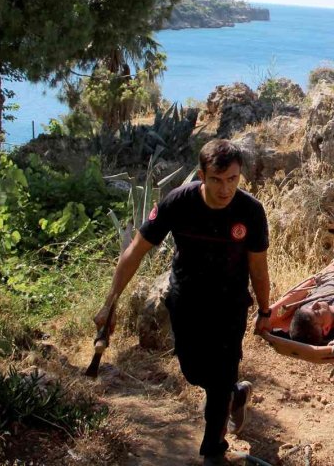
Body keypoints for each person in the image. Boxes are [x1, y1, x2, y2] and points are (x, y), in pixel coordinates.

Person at [93, 139, 271, 466]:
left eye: (233, 179)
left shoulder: (250, 211)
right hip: (186, 298)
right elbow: (135, 251)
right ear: (202, 175)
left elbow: (258, 267)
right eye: (217, 180)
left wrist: (264, 309)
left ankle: (213, 450)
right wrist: (110, 302)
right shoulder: (178, 202)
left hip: (229, 304)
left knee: (219, 375)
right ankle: (234, 394)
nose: (225, 188)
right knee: (192, 371)